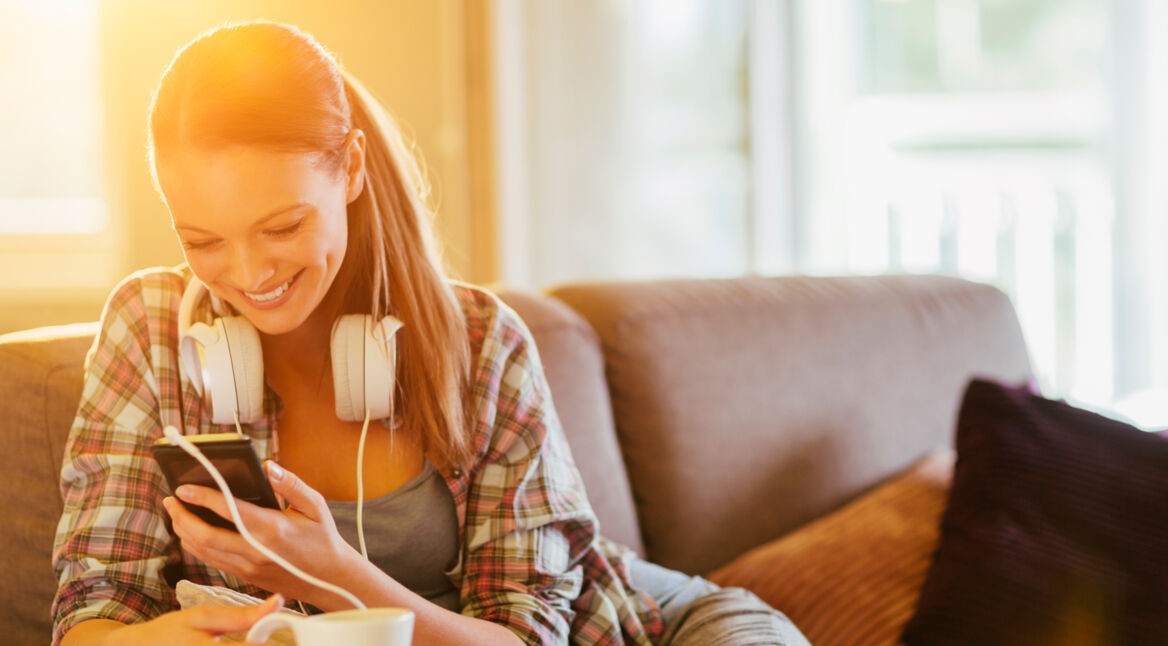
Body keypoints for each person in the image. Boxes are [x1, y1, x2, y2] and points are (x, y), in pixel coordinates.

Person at [51, 21, 808, 646]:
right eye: (204, 241)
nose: (248, 274)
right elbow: (92, 611)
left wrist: (332, 576)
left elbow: (529, 638)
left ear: (349, 168)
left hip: (654, 629)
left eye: (282, 225)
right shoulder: (151, 330)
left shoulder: (481, 342)